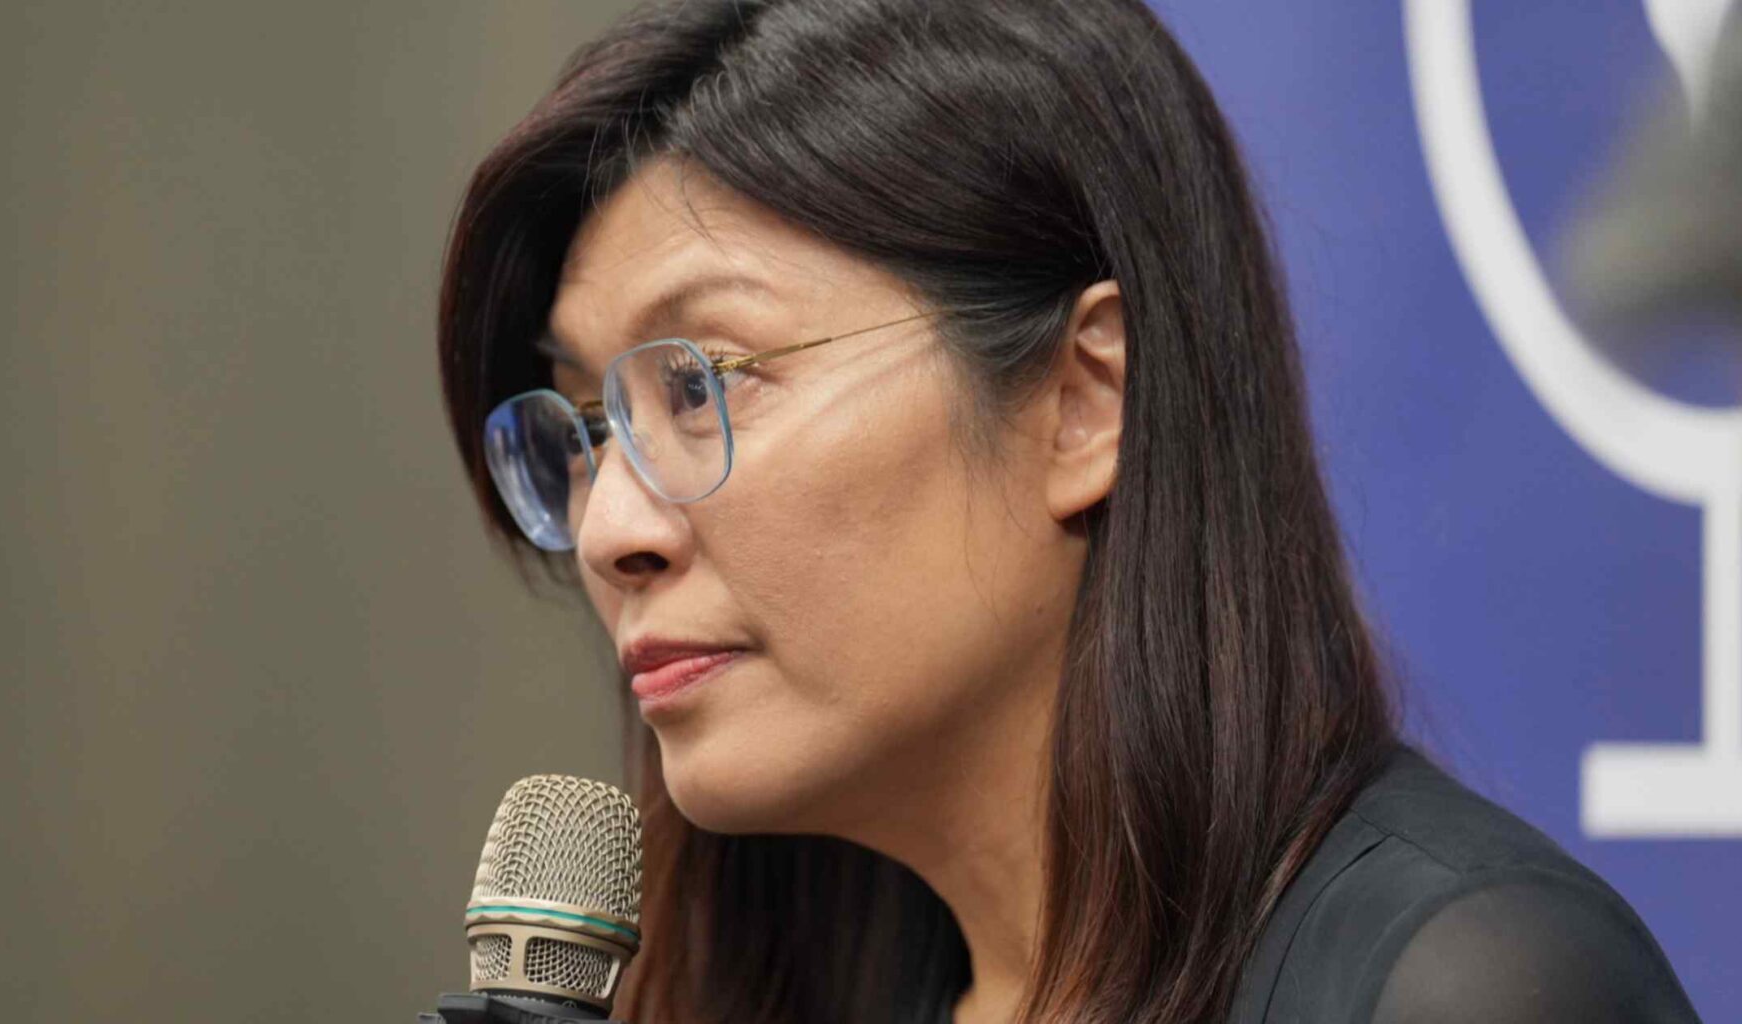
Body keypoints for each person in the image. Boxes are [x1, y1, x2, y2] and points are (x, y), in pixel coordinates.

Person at [436, 0, 1704, 1020]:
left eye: (703, 384)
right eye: (587, 427)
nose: (611, 530)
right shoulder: (817, 989)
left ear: (1085, 400)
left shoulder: (1466, 986)